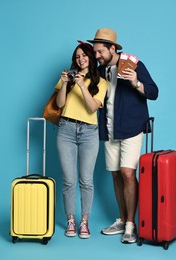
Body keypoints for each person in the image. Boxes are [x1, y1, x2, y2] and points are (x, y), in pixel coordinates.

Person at [87, 28, 158, 243]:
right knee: (116, 174)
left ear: (112, 48)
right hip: (109, 129)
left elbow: (154, 92)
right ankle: (122, 219)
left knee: (128, 173)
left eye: (100, 52)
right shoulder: (99, 72)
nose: (97, 56)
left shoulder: (133, 64)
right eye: (95, 52)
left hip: (131, 128)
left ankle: (130, 224)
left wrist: (136, 81)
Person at [55, 41, 108, 239]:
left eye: (84, 55)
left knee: (86, 180)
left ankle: (84, 222)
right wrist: (65, 84)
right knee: (68, 180)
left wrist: (81, 85)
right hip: (66, 129)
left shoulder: (101, 82)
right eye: (77, 57)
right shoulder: (68, 77)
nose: (81, 59)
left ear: (91, 57)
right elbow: (60, 104)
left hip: (88, 132)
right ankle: (70, 219)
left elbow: (92, 108)